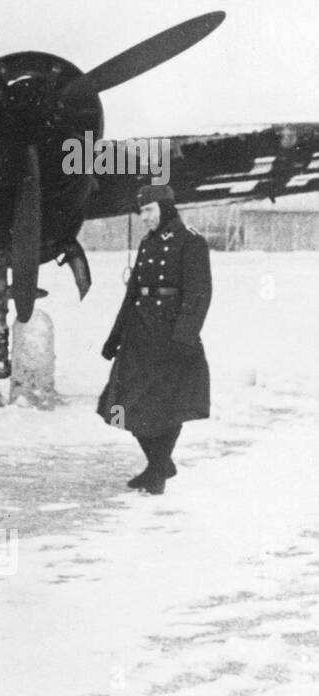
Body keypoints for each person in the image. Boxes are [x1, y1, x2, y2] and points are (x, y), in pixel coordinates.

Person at [97, 184, 211, 495]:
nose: (144, 217)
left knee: (167, 406)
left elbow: (199, 295)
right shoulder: (147, 243)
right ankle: (160, 463)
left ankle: (157, 471)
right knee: (122, 402)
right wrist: (114, 337)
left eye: (148, 210)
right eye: (141, 212)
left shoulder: (191, 241)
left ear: (164, 207)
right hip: (139, 333)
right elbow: (131, 294)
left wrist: (184, 338)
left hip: (172, 335)